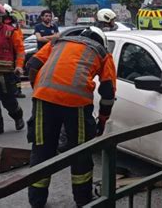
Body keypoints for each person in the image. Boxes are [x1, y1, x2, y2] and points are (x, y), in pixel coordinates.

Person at [25, 26, 116, 207]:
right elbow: (107, 90)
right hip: (77, 103)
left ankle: (36, 200)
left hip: (43, 99)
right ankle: (83, 200)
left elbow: (33, 64)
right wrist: (103, 120)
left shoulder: (57, 43)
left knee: (42, 149)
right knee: (80, 152)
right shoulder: (102, 52)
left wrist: (39, 90)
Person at [0, 3, 25, 134]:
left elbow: (20, 50)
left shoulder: (10, 31)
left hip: (5, 73)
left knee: (8, 100)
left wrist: (19, 65)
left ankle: (17, 116)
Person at [3, 4, 26, 98]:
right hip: (8, 52)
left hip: (13, 52)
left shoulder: (12, 25)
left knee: (15, 74)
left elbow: (19, 38)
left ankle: (17, 90)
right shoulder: (10, 24)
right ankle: (13, 91)